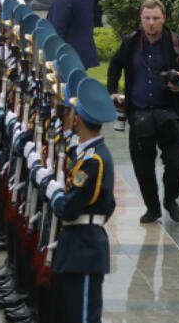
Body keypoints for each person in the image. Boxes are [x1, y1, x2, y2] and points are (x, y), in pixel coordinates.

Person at [106, 0, 179, 223]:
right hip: (139, 114)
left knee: (173, 164)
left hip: (170, 114)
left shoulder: (177, 42)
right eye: (147, 18)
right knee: (142, 167)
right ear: (141, 19)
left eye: (156, 19)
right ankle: (152, 208)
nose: (151, 23)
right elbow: (114, 66)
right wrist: (112, 91)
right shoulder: (130, 42)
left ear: (164, 19)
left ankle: (171, 199)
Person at [31, 76, 117, 323]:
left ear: (77, 119)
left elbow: (68, 208)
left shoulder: (95, 160)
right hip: (76, 246)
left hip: (85, 251)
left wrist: (50, 187)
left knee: (82, 317)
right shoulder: (88, 155)